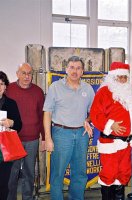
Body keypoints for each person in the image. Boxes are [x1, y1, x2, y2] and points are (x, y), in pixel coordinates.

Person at [43, 56, 95, 200]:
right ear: (66, 69)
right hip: (61, 134)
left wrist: (87, 119)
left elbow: (93, 111)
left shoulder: (88, 89)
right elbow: (47, 112)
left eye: (78, 68)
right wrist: (48, 138)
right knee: (58, 173)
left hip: (81, 134)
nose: (74, 71)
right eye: (71, 67)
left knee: (80, 173)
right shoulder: (55, 87)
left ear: (82, 72)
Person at [90, 62, 132, 200]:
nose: (122, 80)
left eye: (125, 77)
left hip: (127, 143)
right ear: (112, 77)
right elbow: (95, 114)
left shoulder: (130, 92)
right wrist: (111, 125)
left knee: (124, 172)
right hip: (110, 142)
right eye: (119, 76)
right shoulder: (104, 92)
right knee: (109, 173)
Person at [6, 63, 45, 200]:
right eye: (24, 73)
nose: (27, 76)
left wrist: (44, 138)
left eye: (29, 73)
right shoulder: (8, 89)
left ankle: (27, 197)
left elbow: (42, 116)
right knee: (12, 173)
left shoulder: (38, 92)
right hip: (12, 139)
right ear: (17, 73)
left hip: (32, 139)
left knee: (29, 173)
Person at [0, 71, 22, 200]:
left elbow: (19, 125)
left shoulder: (11, 103)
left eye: (2, 84)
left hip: (4, 151)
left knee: (3, 185)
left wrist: (11, 122)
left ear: (5, 86)